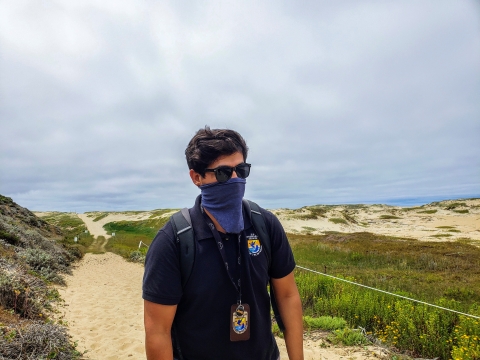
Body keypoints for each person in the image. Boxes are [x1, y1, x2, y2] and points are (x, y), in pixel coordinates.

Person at [143, 127, 304, 360]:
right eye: (223, 173)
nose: (236, 179)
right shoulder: (173, 241)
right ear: (196, 177)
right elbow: (157, 330)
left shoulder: (265, 226)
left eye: (241, 170)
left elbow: (288, 297)